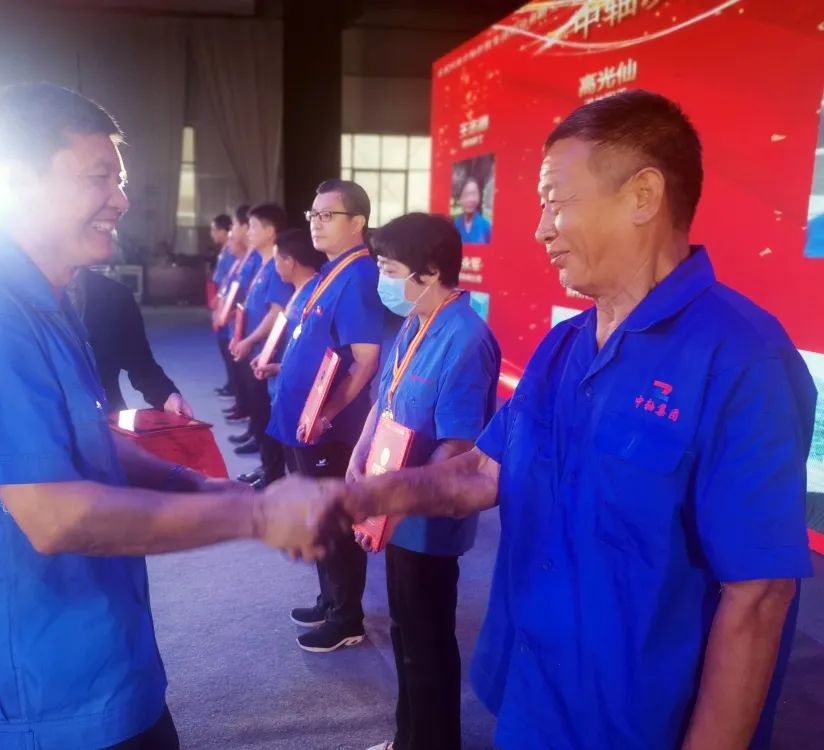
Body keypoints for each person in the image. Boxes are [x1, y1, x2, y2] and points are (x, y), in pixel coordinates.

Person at [281, 90, 817, 749]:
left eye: (556, 202)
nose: (541, 229)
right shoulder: (563, 348)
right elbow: (483, 470)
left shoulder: (743, 358)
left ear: (643, 196)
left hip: (640, 723)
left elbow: (758, 597)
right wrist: (360, 495)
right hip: (533, 693)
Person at [0, 82, 345, 750]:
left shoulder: (46, 299)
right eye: (98, 177)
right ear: (15, 180)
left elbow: (88, 439)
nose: (121, 200)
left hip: (100, 651)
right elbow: (56, 516)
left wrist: (198, 486)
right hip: (46, 685)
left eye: (120, 180)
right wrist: (254, 517)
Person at [348, 213, 500, 750]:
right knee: (404, 630)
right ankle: (406, 737)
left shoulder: (466, 338)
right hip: (391, 508)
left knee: (427, 640)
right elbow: (385, 401)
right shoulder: (416, 322)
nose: (381, 281)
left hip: (426, 519)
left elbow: (458, 447)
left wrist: (397, 497)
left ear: (430, 271)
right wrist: (359, 458)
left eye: (389, 269)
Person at [266, 179, 386, 653]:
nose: (316, 223)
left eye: (327, 215)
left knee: (333, 520)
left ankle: (346, 617)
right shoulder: (330, 273)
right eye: (312, 214)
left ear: (358, 222)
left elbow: (365, 360)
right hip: (303, 422)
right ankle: (329, 599)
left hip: (329, 430)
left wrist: (329, 413)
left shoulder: (359, 277)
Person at [247, 229, 327, 488]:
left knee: (304, 471)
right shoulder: (298, 292)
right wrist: (269, 360)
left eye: (277, 260)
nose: (275, 266)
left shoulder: (314, 294)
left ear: (290, 262)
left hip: (300, 394)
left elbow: (313, 354)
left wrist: (279, 367)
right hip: (282, 384)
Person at [68, 267, 193, 416]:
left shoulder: (115, 294)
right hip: (48, 422)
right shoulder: (41, 298)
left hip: (106, 416)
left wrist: (166, 395)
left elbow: (139, 361)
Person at [228, 203, 293, 472]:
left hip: (266, 353)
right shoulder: (264, 264)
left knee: (266, 412)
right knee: (258, 408)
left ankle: (271, 472)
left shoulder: (275, 268)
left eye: (253, 226)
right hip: (254, 349)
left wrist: (250, 340)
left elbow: (276, 312)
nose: (248, 232)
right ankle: (265, 466)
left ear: (269, 231)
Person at [220, 204, 260, 425]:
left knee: (256, 388)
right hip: (239, 326)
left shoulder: (259, 260)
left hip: (252, 333)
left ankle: (251, 419)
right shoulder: (246, 257)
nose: (232, 230)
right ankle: (247, 416)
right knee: (243, 378)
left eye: (235, 224)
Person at [213, 205, 250, 416]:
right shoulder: (240, 259)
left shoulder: (254, 260)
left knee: (247, 374)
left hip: (243, 326)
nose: (231, 232)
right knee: (235, 365)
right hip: (232, 320)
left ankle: (244, 406)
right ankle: (240, 401)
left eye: (235, 225)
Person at [208, 213, 236, 398]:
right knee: (223, 345)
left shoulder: (232, 253)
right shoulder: (225, 251)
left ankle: (234, 385)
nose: (212, 234)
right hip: (222, 301)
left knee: (228, 346)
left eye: (214, 230)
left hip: (228, 306)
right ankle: (231, 383)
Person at [452, 176, 491, 244]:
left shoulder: (487, 227)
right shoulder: (454, 227)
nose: (470, 199)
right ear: (460, 199)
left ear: (479, 197)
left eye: (474, 194)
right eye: (466, 194)